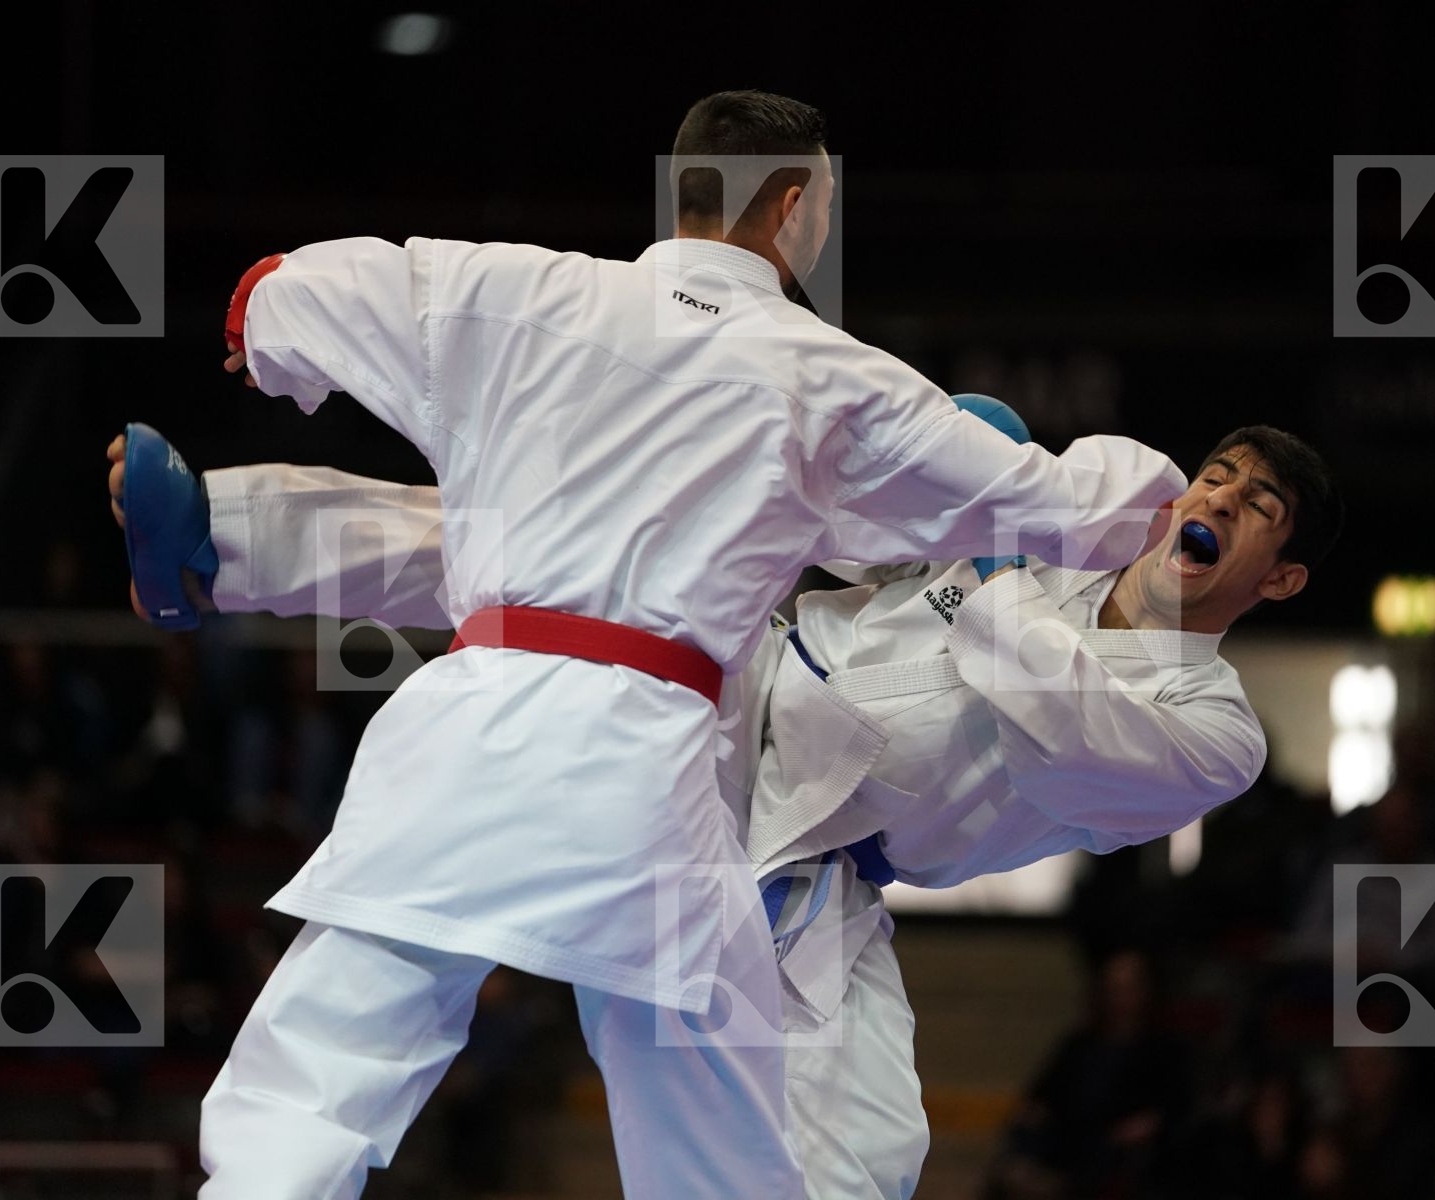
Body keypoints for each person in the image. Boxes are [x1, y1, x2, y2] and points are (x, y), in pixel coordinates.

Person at [131, 87, 1186, 1200]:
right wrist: (1168, 507)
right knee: (712, 1120)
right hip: (649, 761)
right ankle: (222, 537)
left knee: (328, 1059)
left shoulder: (512, 287)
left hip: (470, 715)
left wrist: (266, 337)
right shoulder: (829, 370)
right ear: (794, 206)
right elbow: (1052, 502)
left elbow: (287, 290)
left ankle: (221, 535)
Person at [111, 407, 1339, 1198]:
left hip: (808, 854)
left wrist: (1000, 542)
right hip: (730, 675)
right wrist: (957, 498)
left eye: (1253, 510)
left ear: (1276, 576)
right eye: (1218, 478)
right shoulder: (1068, 521)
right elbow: (860, 543)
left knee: (869, 1156)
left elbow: (1049, 701)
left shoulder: (1211, 730)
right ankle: (220, 532)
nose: (1218, 502)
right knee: (541, 547)